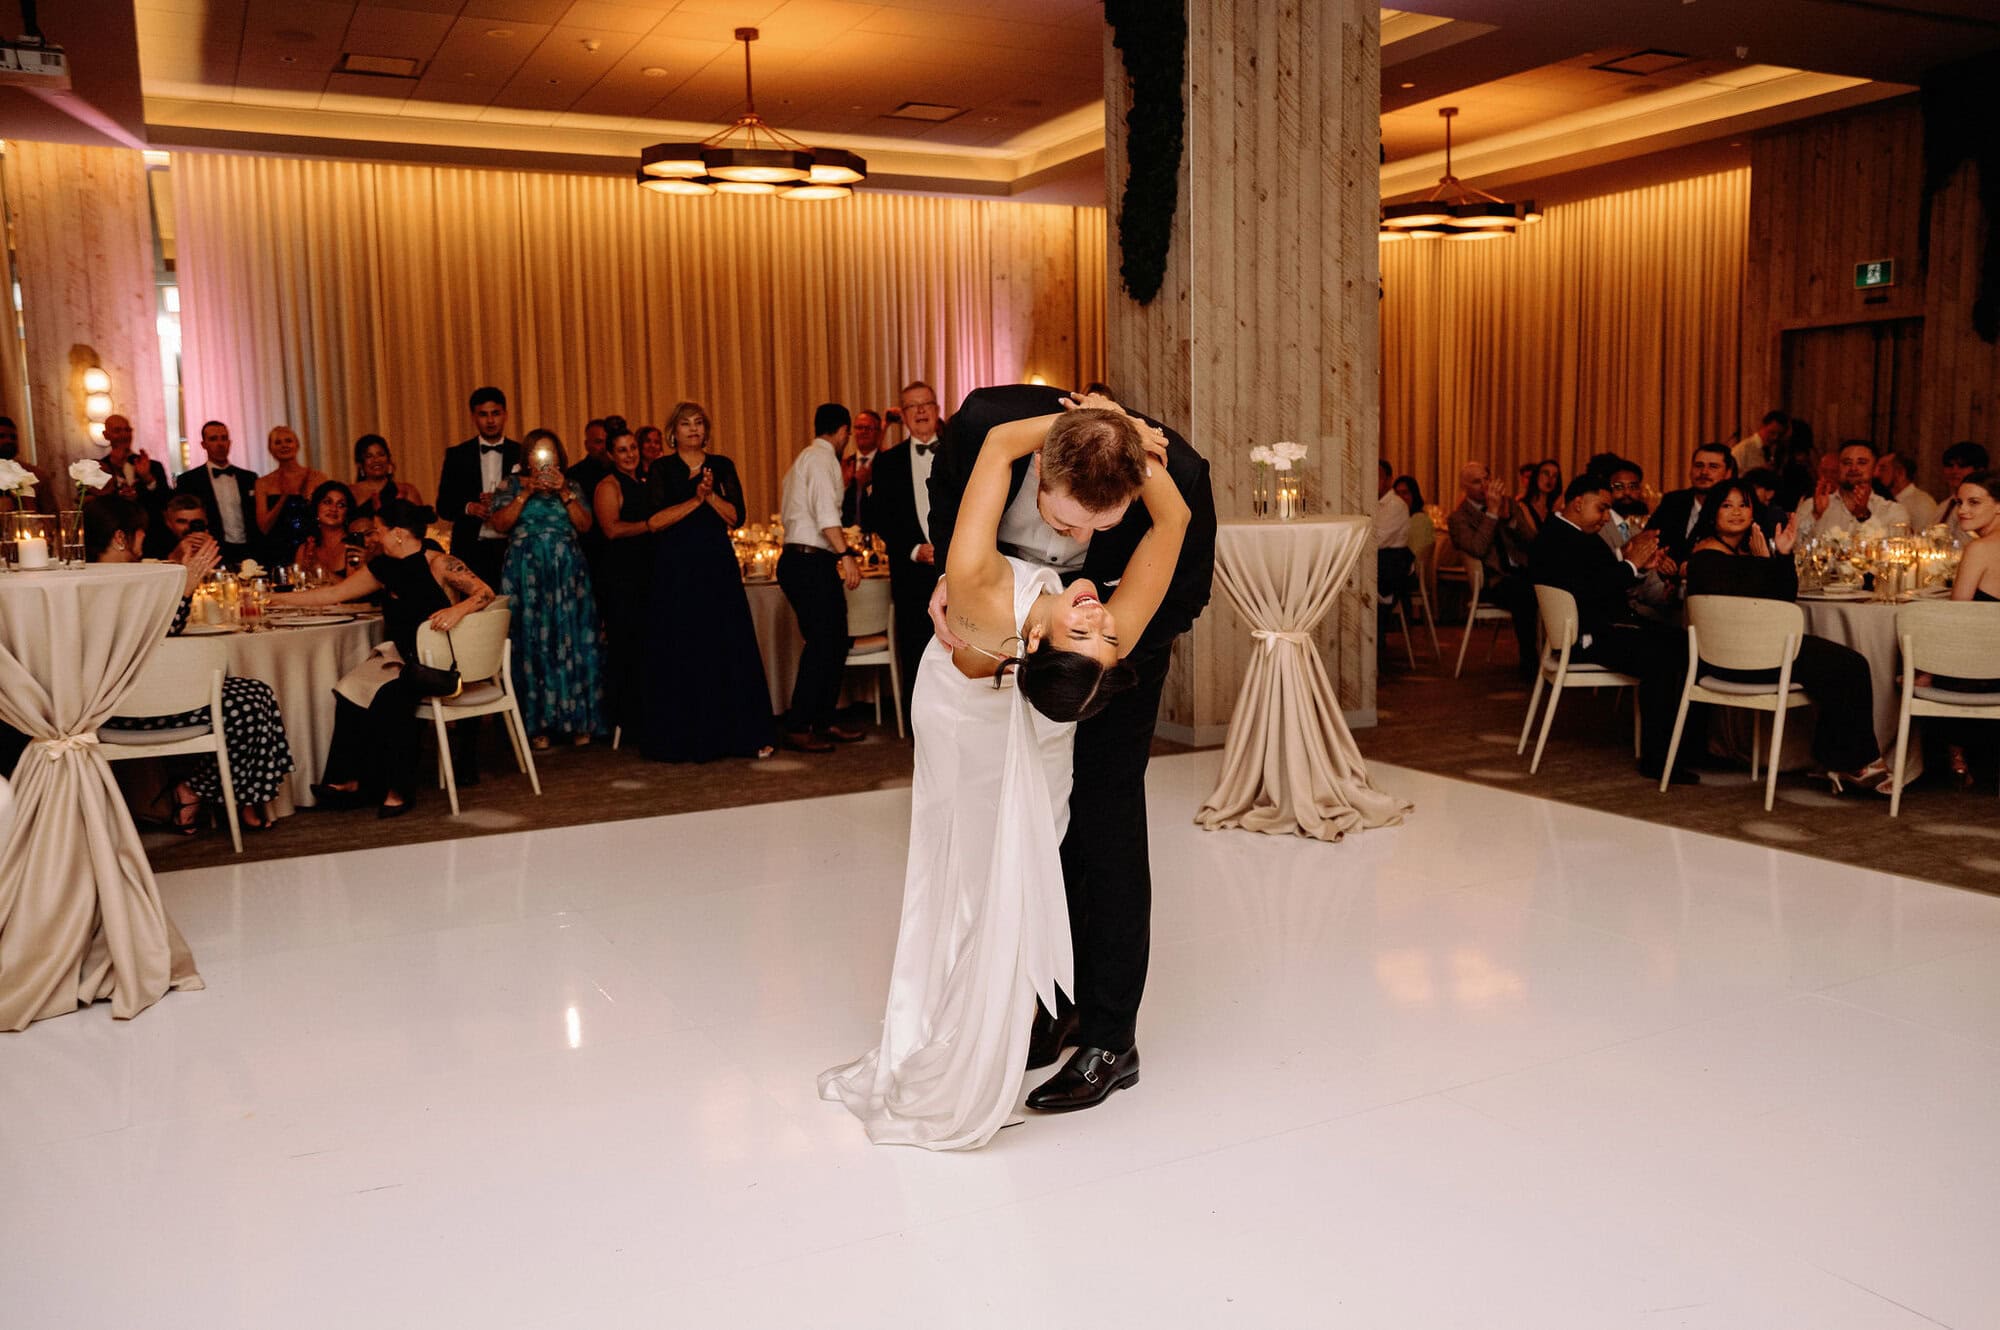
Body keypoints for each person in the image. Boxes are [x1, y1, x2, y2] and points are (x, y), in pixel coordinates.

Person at [820, 393, 1189, 1149]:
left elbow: (995, 453)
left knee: (992, 879)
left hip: (992, 708)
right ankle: (988, 1010)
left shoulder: (986, 592)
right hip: (974, 712)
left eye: (1084, 631)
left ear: (1051, 653)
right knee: (972, 869)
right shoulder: (1070, 622)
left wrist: (1087, 437)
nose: (1097, 616)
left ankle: (983, 1016)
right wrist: (1117, 442)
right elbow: (1173, 522)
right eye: (1101, 633)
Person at [924, 383, 1216, 1114]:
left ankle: (1111, 1036)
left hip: (1113, 651)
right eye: (1061, 518)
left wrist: (1101, 652)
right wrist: (953, 581)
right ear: (1044, 472)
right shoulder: (989, 424)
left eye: (1100, 525)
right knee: (1037, 827)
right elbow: (947, 502)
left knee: (1105, 824)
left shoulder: (1176, 471)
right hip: (1007, 632)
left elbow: (1185, 589)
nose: (1076, 543)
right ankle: (1051, 1000)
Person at [269, 499, 493, 817]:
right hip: (405, 658)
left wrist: (458, 609)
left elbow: (485, 592)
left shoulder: (439, 563)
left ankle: (397, 789)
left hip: (439, 663)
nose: (374, 537)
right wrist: (274, 599)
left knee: (391, 696)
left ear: (398, 533)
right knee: (349, 688)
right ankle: (349, 779)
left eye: (379, 530)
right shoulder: (383, 567)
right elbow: (333, 594)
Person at [88, 497, 296, 834]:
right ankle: (210, 793)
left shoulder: (123, 575)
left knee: (256, 694)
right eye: (140, 533)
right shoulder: (111, 582)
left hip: (135, 695)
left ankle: (232, 798)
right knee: (250, 703)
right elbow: (149, 639)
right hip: (127, 705)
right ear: (120, 538)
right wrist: (184, 590)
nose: (145, 539)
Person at [1684, 480, 1888, 793]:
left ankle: (1843, 760)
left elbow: (1780, 598)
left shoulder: (1741, 551)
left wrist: (1782, 554)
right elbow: (1763, 604)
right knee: (1847, 666)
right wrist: (1766, 561)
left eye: (1744, 504)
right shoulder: (1707, 555)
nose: (1737, 512)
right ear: (1713, 514)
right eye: (1727, 505)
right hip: (1740, 657)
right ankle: (1849, 762)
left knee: (1846, 664)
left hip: (1757, 650)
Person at [1528, 475, 1695, 783]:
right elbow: (1593, 588)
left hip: (1593, 626)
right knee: (1663, 657)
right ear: (1579, 503)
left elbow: (1596, 574)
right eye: (1602, 509)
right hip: (1587, 636)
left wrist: (1632, 562)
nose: (1606, 518)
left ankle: (1680, 747)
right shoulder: (1562, 538)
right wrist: (1630, 565)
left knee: (1683, 644)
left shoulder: (1565, 533)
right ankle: (1659, 758)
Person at [640, 403, 776, 762]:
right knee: (681, 647)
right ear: (673, 431)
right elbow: (654, 522)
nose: (693, 429)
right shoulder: (661, 469)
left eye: (699, 423)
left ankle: (742, 734)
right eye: (685, 424)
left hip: (716, 567)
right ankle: (684, 739)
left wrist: (711, 496)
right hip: (676, 571)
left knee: (728, 645)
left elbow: (736, 517)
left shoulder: (723, 466)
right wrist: (694, 500)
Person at [489, 429, 605, 749]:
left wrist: (564, 492)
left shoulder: (572, 486)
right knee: (530, 641)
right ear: (527, 458)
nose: (544, 461)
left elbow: (585, 526)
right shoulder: (509, 486)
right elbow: (499, 524)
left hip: (567, 573)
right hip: (525, 574)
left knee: (572, 641)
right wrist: (526, 494)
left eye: (549, 454)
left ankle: (576, 719)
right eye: (538, 454)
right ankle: (536, 723)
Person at [776, 403, 864, 753]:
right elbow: (826, 512)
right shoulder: (822, 459)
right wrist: (846, 555)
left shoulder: (806, 459)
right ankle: (800, 726)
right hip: (809, 561)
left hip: (804, 560)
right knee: (824, 644)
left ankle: (822, 721)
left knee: (833, 642)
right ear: (843, 431)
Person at [863, 380, 945, 721]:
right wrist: (913, 550)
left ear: (937, 410)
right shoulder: (887, 463)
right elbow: (880, 518)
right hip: (911, 576)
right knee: (914, 651)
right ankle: (919, 726)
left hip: (957, 571)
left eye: (926, 404)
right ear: (904, 416)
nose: (921, 411)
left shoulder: (962, 456)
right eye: (913, 406)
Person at [1933, 472, 2000, 789]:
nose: (1962, 510)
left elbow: (1956, 620)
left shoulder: (1980, 549)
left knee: (1911, 659)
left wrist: (1924, 672)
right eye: (1960, 501)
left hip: (1982, 671)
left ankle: (1955, 757)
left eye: (1974, 502)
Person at [591, 428, 656, 741]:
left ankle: (647, 714)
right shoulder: (608, 485)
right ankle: (625, 721)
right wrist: (650, 526)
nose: (630, 454)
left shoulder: (644, 481)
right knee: (625, 648)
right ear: (611, 455)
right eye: (622, 450)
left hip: (646, 573)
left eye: (633, 448)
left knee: (647, 646)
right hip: (620, 577)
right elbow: (611, 530)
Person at [1446, 461, 1538, 681]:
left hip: (1522, 572)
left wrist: (1508, 518)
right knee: (1524, 593)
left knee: (1556, 584)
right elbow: (1478, 548)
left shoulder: (1509, 505)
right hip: (1493, 580)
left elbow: (1532, 542)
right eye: (1477, 481)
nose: (1485, 485)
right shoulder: (1458, 518)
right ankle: (1530, 661)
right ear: (1464, 487)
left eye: (1486, 478)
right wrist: (1493, 514)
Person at [436, 386, 521, 591]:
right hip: (470, 548)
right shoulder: (457, 455)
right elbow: (443, 506)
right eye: (483, 414)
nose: (490, 421)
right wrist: (469, 507)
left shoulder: (520, 453)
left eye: (495, 414)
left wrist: (505, 503)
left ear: (505, 415)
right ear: (474, 416)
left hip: (512, 547)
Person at [174, 420, 259, 566]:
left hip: (250, 549)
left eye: (224, 438)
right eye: (213, 439)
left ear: (230, 442)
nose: (220, 444)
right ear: (204, 444)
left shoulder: (249, 477)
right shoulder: (189, 480)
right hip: (212, 549)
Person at [1796, 440, 1910, 538]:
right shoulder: (1812, 506)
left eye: (1862, 463)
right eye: (1847, 463)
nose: (1853, 468)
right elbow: (1794, 548)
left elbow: (1895, 554)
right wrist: (1815, 516)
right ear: (1839, 468)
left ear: (1875, 469)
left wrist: (1864, 516)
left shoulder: (1893, 511)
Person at [253, 424, 332, 565]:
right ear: (270, 449)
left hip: (310, 547)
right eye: (278, 442)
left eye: (288, 441)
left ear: (297, 445)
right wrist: (284, 497)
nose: (284, 445)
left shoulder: (318, 477)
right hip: (276, 551)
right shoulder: (262, 483)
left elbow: (326, 517)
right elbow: (264, 527)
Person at [1646, 442, 1735, 564]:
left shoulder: (1734, 508)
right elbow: (1648, 539)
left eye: (1713, 467)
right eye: (1699, 465)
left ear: (1728, 473)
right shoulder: (1673, 501)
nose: (1704, 472)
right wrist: (1659, 558)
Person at [94, 414, 171, 545]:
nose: (124, 435)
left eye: (127, 430)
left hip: (153, 540)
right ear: (106, 435)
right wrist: (115, 471)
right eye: (118, 431)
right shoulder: (98, 469)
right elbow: (99, 510)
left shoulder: (153, 466)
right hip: (114, 542)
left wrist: (148, 479)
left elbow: (166, 503)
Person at [349, 434, 426, 519]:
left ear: (389, 459)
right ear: (360, 464)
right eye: (369, 456)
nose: (376, 460)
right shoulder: (351, 493)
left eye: (381, 454)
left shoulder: (407, 490)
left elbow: (420, 526)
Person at [295, 481, 356, 582]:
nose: (333, 509)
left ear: (347, 513)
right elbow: (298, 588)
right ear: (316, 508)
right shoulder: (304, 549)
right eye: (327, 502)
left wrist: (319, 569)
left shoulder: (354, 547)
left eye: (341, 505)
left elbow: (355, 592)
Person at [1373, 458, 1412, 598]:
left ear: (1389, 480)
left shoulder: (1395, 505)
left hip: (1390, 566)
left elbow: (1378, 540)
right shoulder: (1373, 503)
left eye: (1376, 476)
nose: (1372, 480)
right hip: (1380, 561)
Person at [1872, 450, 1938, 530]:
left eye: (1883, 469)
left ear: (1900, 473)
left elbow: (1924, 540)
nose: (1875, 474)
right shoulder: (1880, 501)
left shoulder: (1922, 505)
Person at [0, 415, 52, 514]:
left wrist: (27, 502)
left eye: (13, 437)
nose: (9, 441)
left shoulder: (35, 475)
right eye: (1, 436)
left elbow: (51, 516)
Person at [842, 409, 884, 528]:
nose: (863, 432)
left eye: (868, 428)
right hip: (847, 536)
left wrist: (868, 486)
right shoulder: (845, 464)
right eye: (859, 428)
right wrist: (844, 485)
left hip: (878, 537)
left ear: (878, 432)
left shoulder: (888, 463)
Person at [1936, 442, 1989, 534]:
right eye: (1950, 466)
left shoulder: (1986, 508)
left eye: (1962, 466)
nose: (1954, 471)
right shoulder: (1945, 505)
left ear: (1980, 470)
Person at [1731, 409, 1791, 476]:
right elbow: (1732, 476)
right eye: (1772, 432)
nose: (1775, 438)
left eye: (1780, 434)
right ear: (1762, 426)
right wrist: (1757, 472)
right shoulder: (1743, 448)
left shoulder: (1776, 449)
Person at [1519, 458, 1562, 537]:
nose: (1550, 478)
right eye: (1546, 473)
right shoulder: (1523, 506)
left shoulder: (1556, 507)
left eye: (1555, 476)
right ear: (1536, 476)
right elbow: (1535, 537)